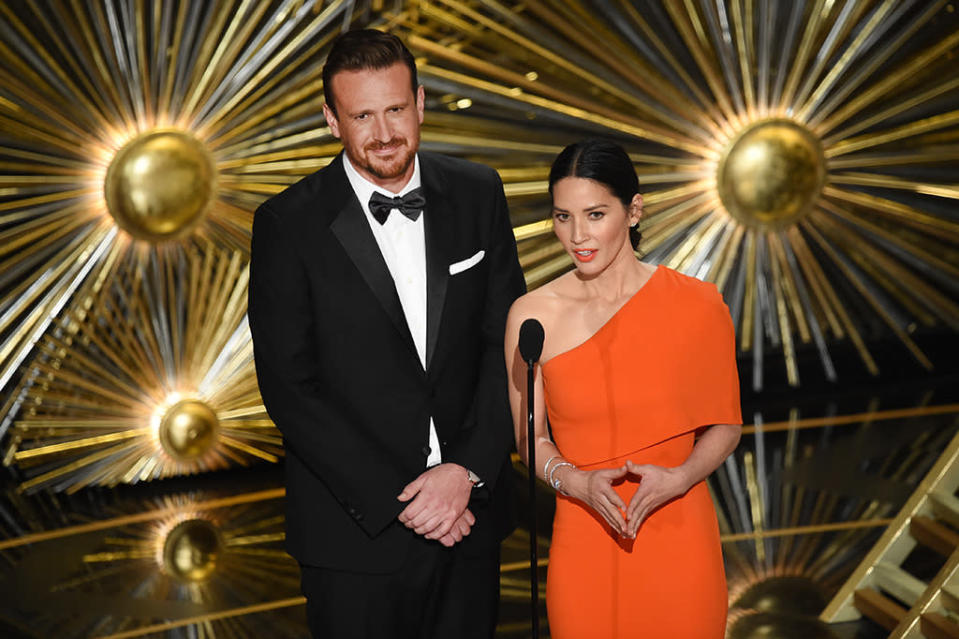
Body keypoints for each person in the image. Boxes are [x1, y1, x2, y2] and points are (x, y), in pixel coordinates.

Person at [248, 29, 525, 639]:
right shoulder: (286, 224)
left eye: (396, 109)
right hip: (354, 538)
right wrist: (411, 501)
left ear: (421, 102)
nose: (384, 134)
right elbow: (291, 389)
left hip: (470, 518)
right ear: (331, 119)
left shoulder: (479, 193)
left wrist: (467, 472)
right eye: (362, 115)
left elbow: (506, 347)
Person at [505, 139, 742, 638]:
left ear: (634, 210)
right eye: (562, 216)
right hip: (584, 534)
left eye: (594, 214)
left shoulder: (698, 305)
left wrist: (680, 477)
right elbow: (532, 438)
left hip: (681, 534)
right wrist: (577, 483)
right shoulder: (532, 316)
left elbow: (725, 425)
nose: (577, 236)